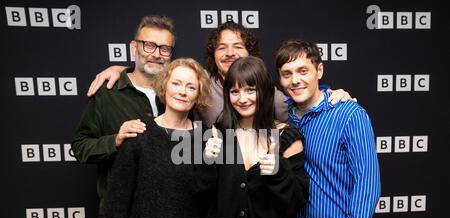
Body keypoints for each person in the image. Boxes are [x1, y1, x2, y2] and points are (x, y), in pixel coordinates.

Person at [71, 15, 176, 218]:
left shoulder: (178, 92)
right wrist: (114, 140)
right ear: (134, 46)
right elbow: (80, 147)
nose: (156, 53)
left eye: (164, 48)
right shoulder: (108, 93)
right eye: (149, 45)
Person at [87, 21, 353, 126]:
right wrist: (122, 69)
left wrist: (330, 95)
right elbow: (164, 77)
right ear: (213, 53)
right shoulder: (200, 82)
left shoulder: (268, 90)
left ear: (250, 53)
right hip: (215, 176)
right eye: (222, 47)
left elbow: (300, 107)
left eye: (237, 47)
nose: (229, 53)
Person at [274, 39, 381, 218]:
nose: (295, 80)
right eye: (287, 74)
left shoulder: (349, 114)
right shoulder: (286, 115)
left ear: (319, 71)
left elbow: (368, 186)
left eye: (303, 71)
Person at [196, 56, 309, 218]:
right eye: (235, 91)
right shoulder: (216, 136)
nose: (243, 98)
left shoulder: (287, 137)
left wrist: (278, 172)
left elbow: (296, 203)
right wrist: (206, 161)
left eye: (250, 89)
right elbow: (201, 199)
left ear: (266, 91)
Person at [103, 58, 211, 218]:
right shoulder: (139, 134)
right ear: (164, 86)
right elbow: (119, 196)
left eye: (191, 87)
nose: (183, 91)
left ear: (199, 94)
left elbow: (211, 202)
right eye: (177, 83)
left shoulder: (206, 139)